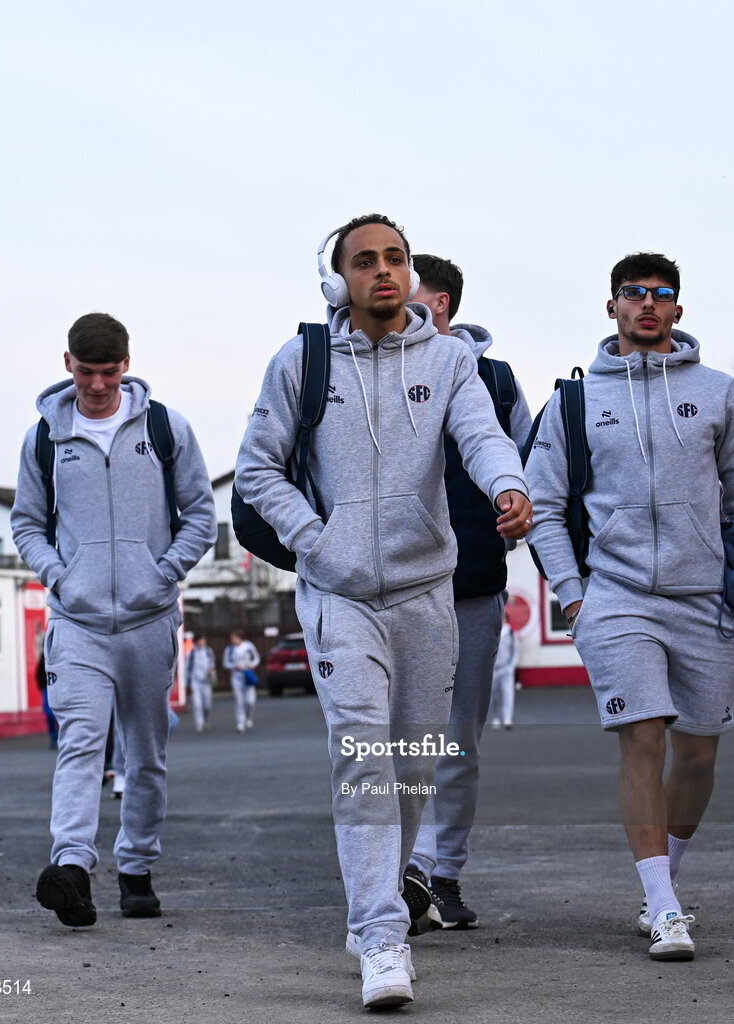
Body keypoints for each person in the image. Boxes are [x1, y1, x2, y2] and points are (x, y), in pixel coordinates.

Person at [234, 214, 531, 1008]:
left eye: (394, 258)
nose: (383, 272)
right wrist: (316, 542)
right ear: (339, 280)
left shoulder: (450, 358)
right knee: (363, 761)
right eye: (365, 262)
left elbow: (482, 435)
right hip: (338, 596)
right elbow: (256, 471)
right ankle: (380, 936)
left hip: (425, 593)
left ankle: (383, 907)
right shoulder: (301, 360)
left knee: (412, 768)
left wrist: (510, 486)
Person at [527, 253, 734, 962]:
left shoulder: (718, 392)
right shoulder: (574, 402)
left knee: (695, 755)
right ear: (612, 307)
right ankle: (665, 908)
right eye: (633, 294)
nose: (646, 305)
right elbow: (543, 507)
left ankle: (661, 883)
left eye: (661, 295)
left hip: (708, 603)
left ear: (677, 310)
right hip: (617, 596)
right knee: (642, 736)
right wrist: (573, 596)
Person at [11, 312, 216, 927]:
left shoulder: (164, 427)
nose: (97, 384)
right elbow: (26, 522)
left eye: (107, 371)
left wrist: (163, 572)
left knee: (145, 754)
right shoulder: (44, 439)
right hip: (77, 622)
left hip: (149, 619)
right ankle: (71, 867)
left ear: (126, 364)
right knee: (79, 743)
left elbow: (201, 514)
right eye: (85, 371)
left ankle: (136, 867)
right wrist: (60, 576)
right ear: (66, 363)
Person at [404, 253, 532, 930]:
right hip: (393, 589)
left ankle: (440, 874)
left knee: (457, 744)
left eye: (411, 296)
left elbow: (522, 462)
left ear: (443, 304)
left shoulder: (496, 380)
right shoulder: (382, 366)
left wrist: (506, 523)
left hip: (472, 587)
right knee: (397, 742)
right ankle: (400, 872)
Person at [223, 630, 260, 733]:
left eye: (234, 637)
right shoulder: (229, 649)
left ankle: (249, 717)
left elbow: (256, 658)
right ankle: (240, 723)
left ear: (239, 637)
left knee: (250, 701)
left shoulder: (248, 646)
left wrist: (252, 664)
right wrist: (233, 666)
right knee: (239, 700)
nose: (232, 640)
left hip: (248, 675)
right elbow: (226, 663)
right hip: (236, 676)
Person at [489, 610, 519, 730]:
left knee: (508, 694)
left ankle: (507, 719)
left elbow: (515, 651)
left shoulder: (511, 633)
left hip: (506, 668)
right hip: (493, 669)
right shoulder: (493, 632)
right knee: (493, 696)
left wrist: (512, 666)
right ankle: (495, 717)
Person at [185, 635, 217, 732]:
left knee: (207, 704)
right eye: (202, 640)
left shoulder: (208, 651)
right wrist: (186, 682)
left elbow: (212, 663)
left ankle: (206, 719)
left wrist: (211, 671)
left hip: (206, 680)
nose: (203, 642)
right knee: (197, 704)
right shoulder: (191, 652)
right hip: (196, 680)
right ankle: (199, 724)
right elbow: (187, 667)